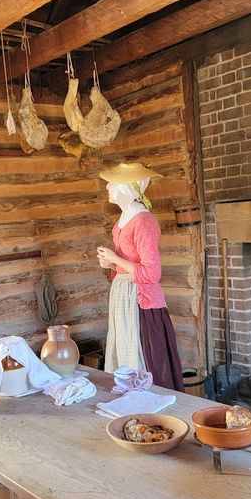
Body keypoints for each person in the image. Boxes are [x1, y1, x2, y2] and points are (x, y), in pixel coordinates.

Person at [96, 162, 184, 392]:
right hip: (123, 296)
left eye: (111, 184)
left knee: (143, 355)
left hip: (140, 299)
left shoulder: (144, 221)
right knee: (124, 352)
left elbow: (152, 273)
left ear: (125, 188)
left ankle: (150, 404)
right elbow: (126, 264)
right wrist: (110, 263)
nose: (107, 188)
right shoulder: (124, 218)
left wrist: (116, 259)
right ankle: (129, 401)